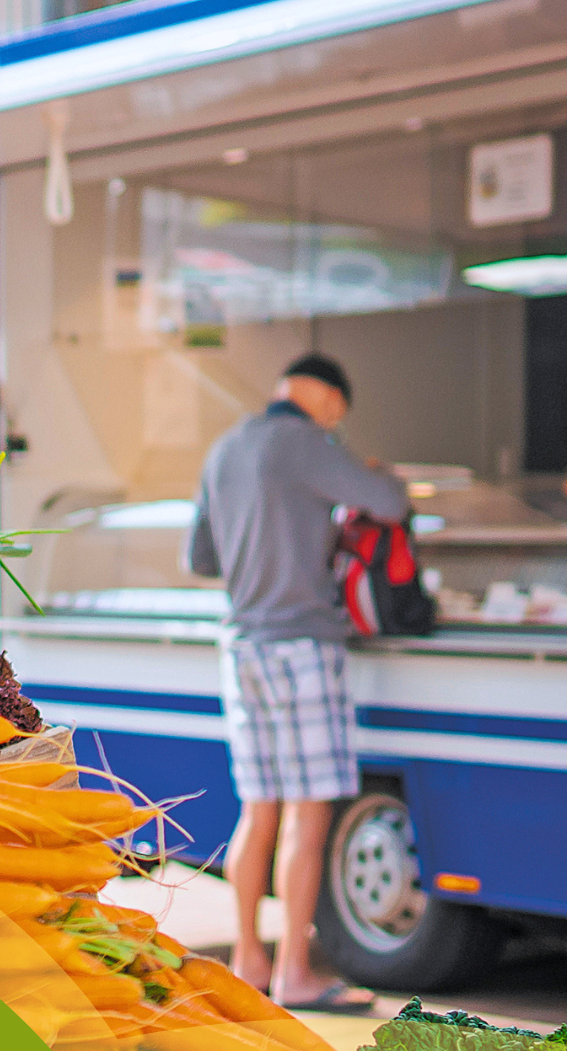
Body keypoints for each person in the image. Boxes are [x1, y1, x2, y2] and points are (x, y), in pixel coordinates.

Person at [184, 352, 400, 1012]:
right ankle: (295, 971)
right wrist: (371, 474)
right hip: (302, 646)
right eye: (339, 409)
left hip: (241, 646)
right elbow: (388, 503)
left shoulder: (223, 449)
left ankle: (248, 957)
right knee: (307, 817)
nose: (337, 420)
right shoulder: (307, 442)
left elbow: (198, 557)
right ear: (324, 396)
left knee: (258, 809)